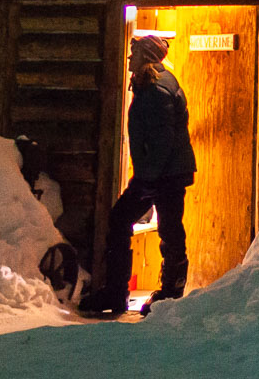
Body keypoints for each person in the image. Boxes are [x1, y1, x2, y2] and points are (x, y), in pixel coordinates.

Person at [79, 34, 197, 316]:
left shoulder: (156, 89)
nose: (129, 58)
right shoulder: (152, 84)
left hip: (163, 175)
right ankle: (151, 292)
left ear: (145, 56)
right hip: (165, 173)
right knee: (167, 229)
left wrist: (146, 179)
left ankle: (156, 293)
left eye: (134, 54)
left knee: (134, 222)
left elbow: (162, 140)